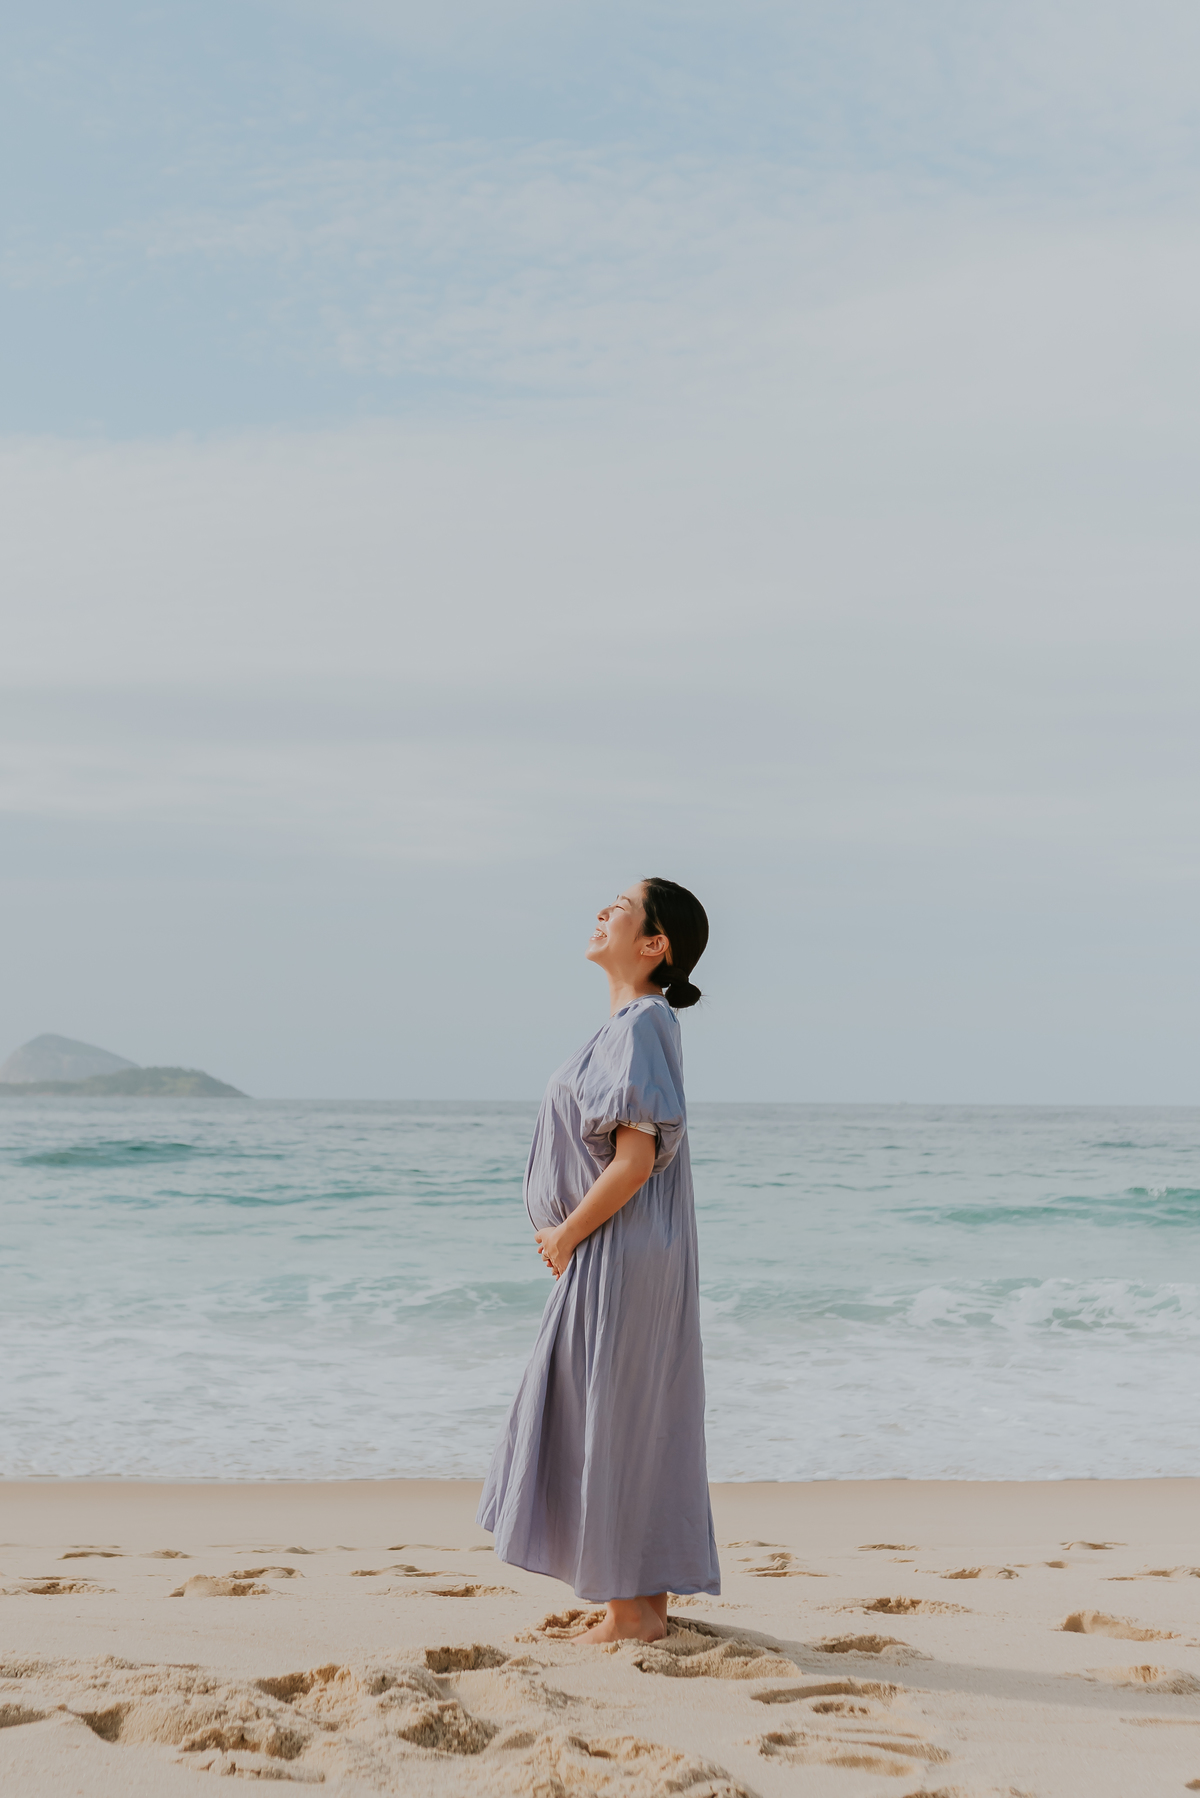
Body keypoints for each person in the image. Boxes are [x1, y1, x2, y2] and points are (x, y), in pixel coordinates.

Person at [477, 876, 719, 1644]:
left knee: (607, 1414)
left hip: (618, 1246)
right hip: (631, 1248)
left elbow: (634, 1161)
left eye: (620, 907)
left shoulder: (642, 1023)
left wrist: (566, 1235)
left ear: (654, 945)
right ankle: (644, 1607)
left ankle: (626, 1613)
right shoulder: (633, 1025)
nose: (601, 912)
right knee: (632, 1414)